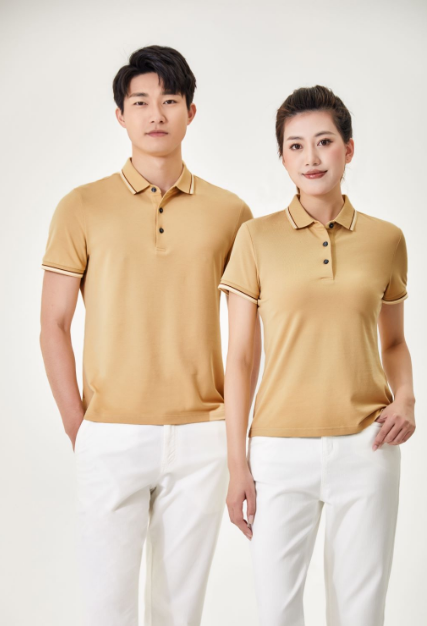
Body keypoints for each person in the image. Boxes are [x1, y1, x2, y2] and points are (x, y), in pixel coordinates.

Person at [39, 44, 261, 626]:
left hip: (202, 435)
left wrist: (236, 441)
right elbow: (53, 323)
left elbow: (247, 339)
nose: (155, 114)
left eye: (169, 100)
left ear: (191, 111)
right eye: (140, 102)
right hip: (109, 432)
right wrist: (79, 425)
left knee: (179, 613)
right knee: (105, 609)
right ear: (120, 115)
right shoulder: (81, 207)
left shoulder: (231, 213)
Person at [219, 85, 416, 626]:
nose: (311, 157)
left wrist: (406, 399)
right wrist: (237, 464)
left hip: (368, 447)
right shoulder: (254, 238)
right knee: (277, 612)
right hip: (278, 452)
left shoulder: (386, 239)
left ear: (348, 149)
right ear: (283, 158)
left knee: (361, 612)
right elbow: (240, 359)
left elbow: (394, 342)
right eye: (296, 145)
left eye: (324, 141)